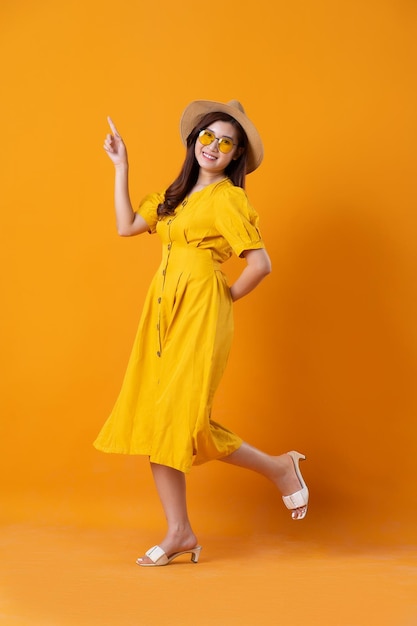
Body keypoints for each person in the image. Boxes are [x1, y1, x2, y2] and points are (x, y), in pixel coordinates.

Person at [94, 99, 309, 567]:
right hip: (161, 312)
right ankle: (180, 532)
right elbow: (127, 226)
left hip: (201, 311)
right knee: (160, 423)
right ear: (194, 143)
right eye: (207, 137)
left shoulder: (227, 200)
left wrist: (223, 297)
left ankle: (278, 468)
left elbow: (260, 264)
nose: (213, 146)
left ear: (235, 157)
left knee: (182, 420)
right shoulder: (175, 195)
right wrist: (121, 166)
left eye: (225, 142)